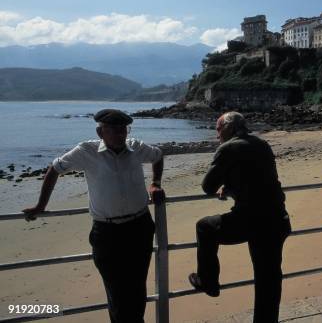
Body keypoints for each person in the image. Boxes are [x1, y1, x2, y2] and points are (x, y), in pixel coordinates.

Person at [22, 109, 165, 323]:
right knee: (117, 292)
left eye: (123, 129)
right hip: (107, 233)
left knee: (136, 287)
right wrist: (41, 205)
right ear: (100, 132)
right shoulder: (86, 151)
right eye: (114, 130)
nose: (120, 134)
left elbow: (158, 155)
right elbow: (55, 169)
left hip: (139, 227)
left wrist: (155, 183)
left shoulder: (136, 147)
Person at [189, 111, 291, 323]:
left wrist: (226, 183)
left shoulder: (228, 148)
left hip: (250, 220)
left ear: (228, 128)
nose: (217, 134)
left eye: (218, 129)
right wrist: (232, 186)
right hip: (277, 218)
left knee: (205, 227)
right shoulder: (262, 144)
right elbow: (257, 178)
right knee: (269, 278)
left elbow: (208, 187)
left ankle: (208, 282)